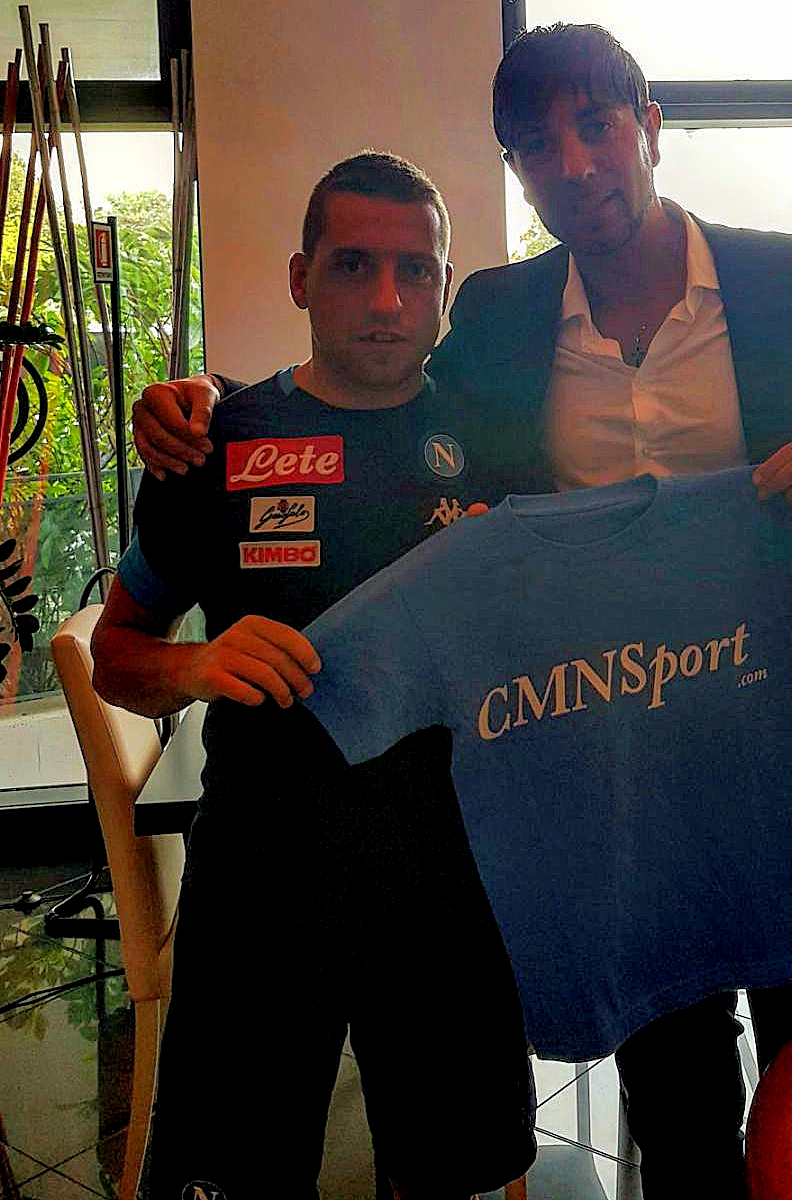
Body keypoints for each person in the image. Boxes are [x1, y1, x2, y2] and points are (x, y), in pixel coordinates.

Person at [132, 24, 792, 1197]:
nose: (573, 164)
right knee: (673, 1072)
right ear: (514, 170)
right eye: (535, 145)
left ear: (649, 128)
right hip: (614, 740)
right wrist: (213, 407)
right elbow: (368, 392)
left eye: (597, 126)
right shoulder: (504, 316)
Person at [92, 152, 535, 1200]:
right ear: (300, 278)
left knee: (448, 1175)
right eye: (351, 266)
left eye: (415, 271)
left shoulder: (500, 443)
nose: (386, 301)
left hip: (450, 871)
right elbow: (116, 653)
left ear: (445, 285)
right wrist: (196, 664)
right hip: (262, 872)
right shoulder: (217, 445)